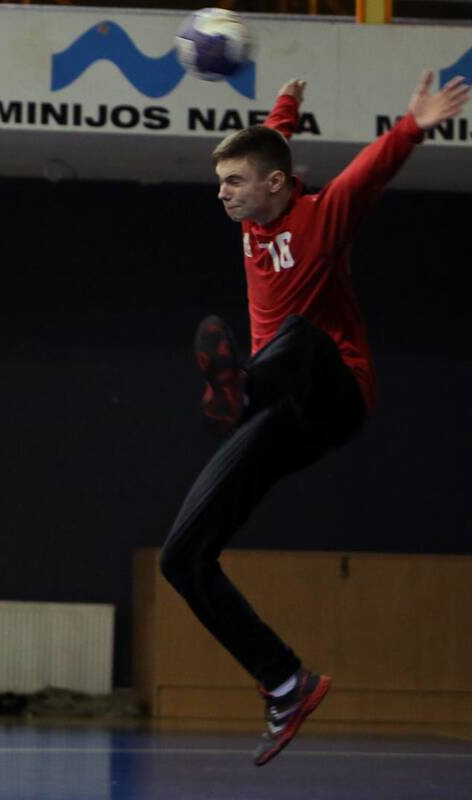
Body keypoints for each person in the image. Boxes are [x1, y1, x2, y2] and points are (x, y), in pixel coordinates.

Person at [159, 71, 469, 766]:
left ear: (275, 185)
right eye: (220, 182)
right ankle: (285, 683)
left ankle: (241, 391)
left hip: (336, 393)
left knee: (300, 333)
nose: (222, 193)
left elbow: (367, 174)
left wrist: (412, 126)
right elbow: (270, 142)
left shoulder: (321, 217)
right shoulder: (254, 213)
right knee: (182, 558)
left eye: (233, 182)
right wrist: (287, 106)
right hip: (275, 407)